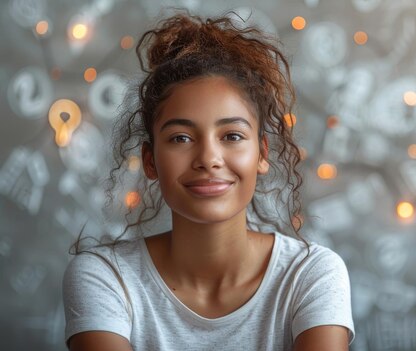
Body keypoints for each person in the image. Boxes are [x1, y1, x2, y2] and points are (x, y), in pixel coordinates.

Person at [62, 12, 355, 351]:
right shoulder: (105, 278)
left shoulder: (311, 274)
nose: (208, 158)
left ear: (261, 154)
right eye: (181, 139)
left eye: (231, 135)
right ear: (150, 161)